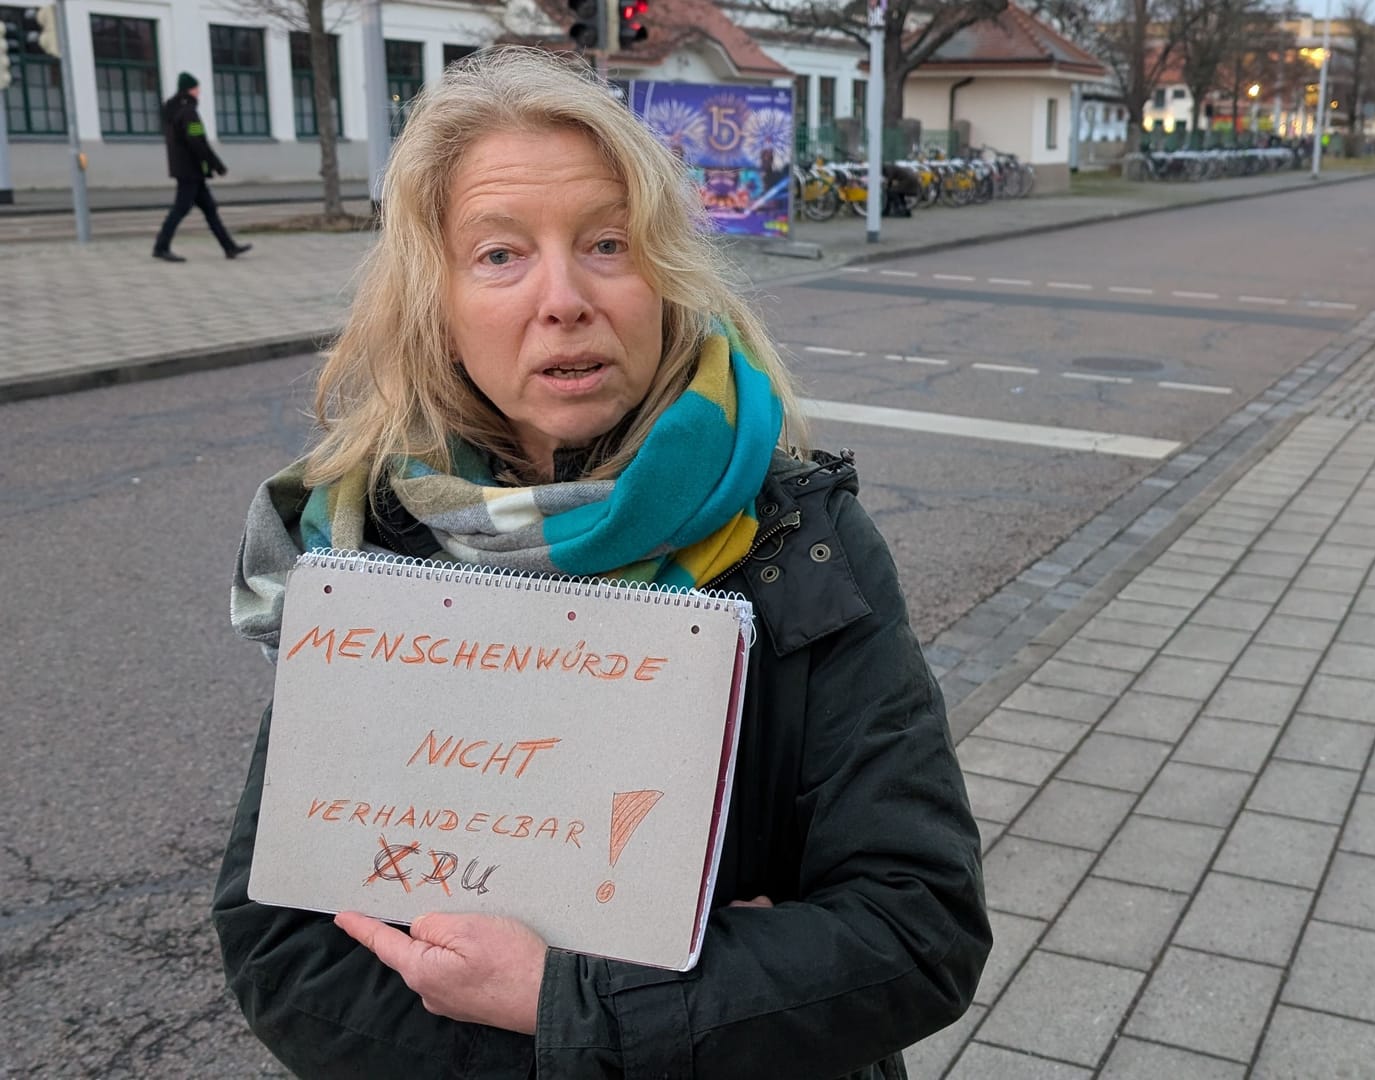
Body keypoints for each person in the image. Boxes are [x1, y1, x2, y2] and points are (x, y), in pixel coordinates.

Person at [213, 46, 989, 1078]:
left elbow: (917, 925)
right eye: (499, 255)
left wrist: (565, 1007)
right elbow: (285, 940)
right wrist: (667, 1002)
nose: (564, 297)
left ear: (664, 276)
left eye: (606, 244)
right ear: (433, 301)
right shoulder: (369, 548)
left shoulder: (794, 538)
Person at [153, 72, 252, 263]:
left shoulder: (173, 111)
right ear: (190, 89)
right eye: (197, 88)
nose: (199, 92)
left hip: (186, 168)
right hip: (191, 170)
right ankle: (161, 246)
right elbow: (197, 141)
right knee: (180, 208)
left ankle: (229, 246)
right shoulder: (189, 112)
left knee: (210, 209)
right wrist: (216, 164)